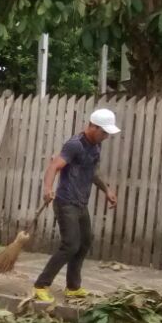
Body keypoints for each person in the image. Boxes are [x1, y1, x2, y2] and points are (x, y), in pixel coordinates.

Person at [32, 108, 120, 303]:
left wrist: (107, 190)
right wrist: (47, 188)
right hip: (66, 202)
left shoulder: (96, 146)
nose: (106, 136)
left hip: (81, 203)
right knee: (70, 245)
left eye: (107, 133)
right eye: (103, 132)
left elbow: (93, 172)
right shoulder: (74, 145)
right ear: (93, 126)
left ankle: (73, 287)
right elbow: (54, 165)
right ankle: (40, 285)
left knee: (85, 242)